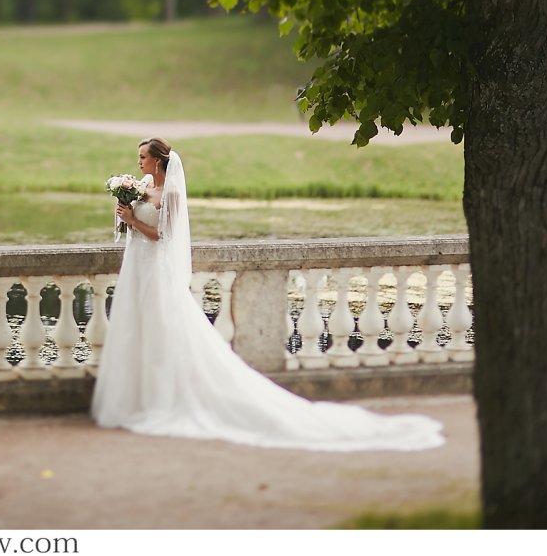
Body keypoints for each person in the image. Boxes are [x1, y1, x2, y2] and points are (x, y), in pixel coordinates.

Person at [91, 137, 445, 451]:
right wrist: (124, 213)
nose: (138, 162)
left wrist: (134, 221)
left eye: (143, 157)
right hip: (137, 268)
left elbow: (164, 238)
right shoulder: (140, 189)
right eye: (138, 157)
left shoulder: (171, 195)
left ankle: (166, 400)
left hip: (156, 271)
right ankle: (141, 399)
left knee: (165, 330)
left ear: (158, 160)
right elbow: (133, 229)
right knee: (140, 330)